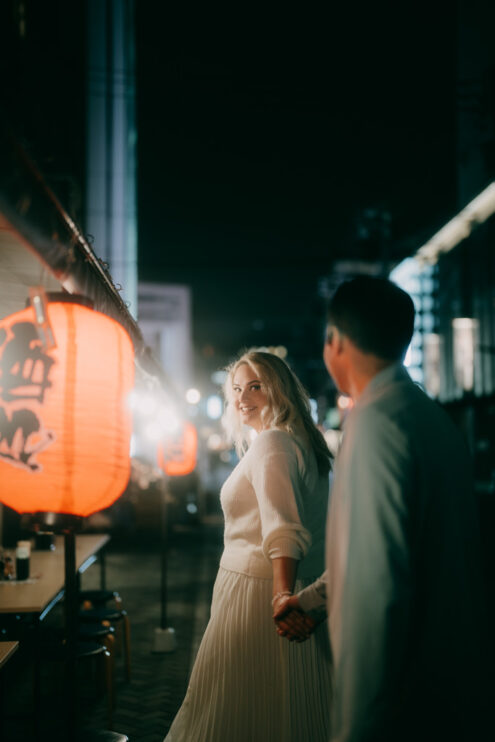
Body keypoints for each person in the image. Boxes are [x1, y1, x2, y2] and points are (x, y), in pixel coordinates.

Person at [274, 276, 492, 741]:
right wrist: (309, 603)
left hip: (404, 690)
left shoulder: (374, 424)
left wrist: (357, 725)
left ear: (334, 341)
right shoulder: (431, 417)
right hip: (455, 666)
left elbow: (374, 582)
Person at [164, 350, 333, 742]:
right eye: (237, 389)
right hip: (286, 586)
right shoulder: (304, 442)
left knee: (229, 707)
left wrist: (280, 599)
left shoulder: (273, 442)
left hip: (257, 592)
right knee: (285, 705)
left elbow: (283, 530)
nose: (242, 397)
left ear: (280, 388)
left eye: (255, 386)